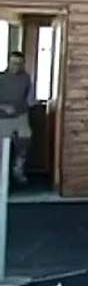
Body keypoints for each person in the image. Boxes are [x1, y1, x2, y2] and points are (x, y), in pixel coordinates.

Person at [0, 50, 35, 185]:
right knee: (2, 148)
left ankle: (18, 169)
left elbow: (30, 96)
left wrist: (31, 101)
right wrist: (4, 107)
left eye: (19, 64)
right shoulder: (1, 78)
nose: (16, 66)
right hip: (3, 118)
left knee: (25, 139)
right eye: (14, 63)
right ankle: (3, 180)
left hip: (21, 116)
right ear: (9, 63)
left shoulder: (26, 78)